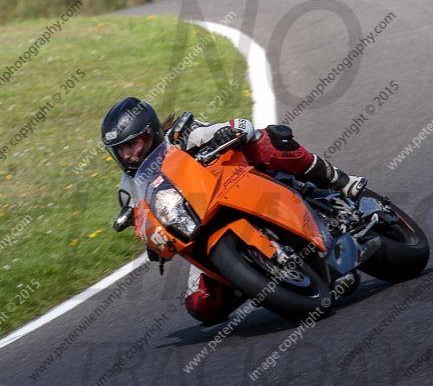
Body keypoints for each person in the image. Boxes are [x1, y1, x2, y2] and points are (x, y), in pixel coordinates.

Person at [101, 97, 366, 326]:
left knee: (268, 140)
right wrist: (153, 242)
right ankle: (258, 279)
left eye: (134, 144)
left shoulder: (183, 135)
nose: (129, 155)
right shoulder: (128, 189)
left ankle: (339, 181)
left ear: (151, 132)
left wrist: (227, 134)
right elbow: (144, 221)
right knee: (201, 306)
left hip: (238, 184)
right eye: (121, 149)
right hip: (198, 227)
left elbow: (241, 127)